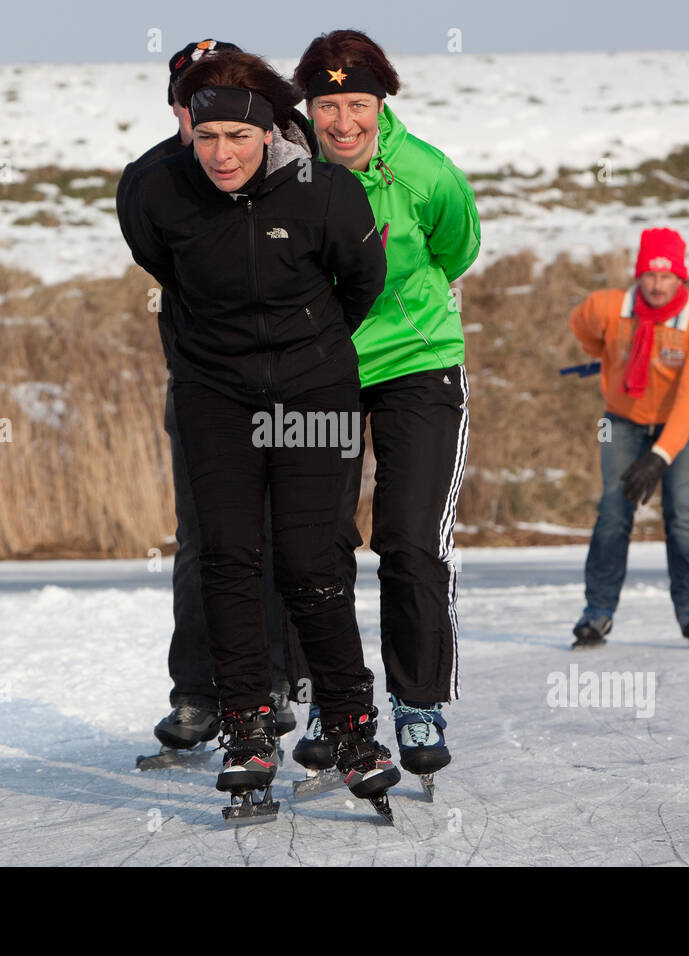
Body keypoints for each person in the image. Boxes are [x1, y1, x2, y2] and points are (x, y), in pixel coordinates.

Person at [118, 50, 399, 810]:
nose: (221, 154)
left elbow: (362, 280)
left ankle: (350, 725)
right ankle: (245, 726)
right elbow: (162, 267)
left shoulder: (324, 190)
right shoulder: (155, 190)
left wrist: (308, 347)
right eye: (205, 137)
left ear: (267, 132)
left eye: (235, 138)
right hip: (216, 396)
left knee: (313, 561)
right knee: (227, 557)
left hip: (314, 392)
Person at [289, 30, 481, 781]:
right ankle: (330, 702)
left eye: (357, 103)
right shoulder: (291, 174)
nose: (342, 121)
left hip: (418, 365)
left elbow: (456, 249)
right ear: (307, 107)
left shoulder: (426, 174)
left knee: (408, 539)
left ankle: (418, 701)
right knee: (316, 542)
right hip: (320, 373)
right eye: (327, 104)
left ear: (381, 103)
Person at [116, 40, 308, 762]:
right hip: (203, 382)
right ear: (178, 109)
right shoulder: (151, 182)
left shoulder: (298, 167)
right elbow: (157, 261)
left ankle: (292, 681)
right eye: (186, 100)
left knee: (291, 536)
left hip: (297, 382)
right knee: (205, 538)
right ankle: (198, 692)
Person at [568, 227, 689, 649]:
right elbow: (579, 325)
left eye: (667, 277)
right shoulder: (608, 307)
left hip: (683, 424)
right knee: (614, 513)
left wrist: (658, 457)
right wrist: (601, 353)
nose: (657, 285)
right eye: (650, 276)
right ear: (639, 274)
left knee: (682, 515)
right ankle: (597, 613)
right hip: (623, 419)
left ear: (680, 278)